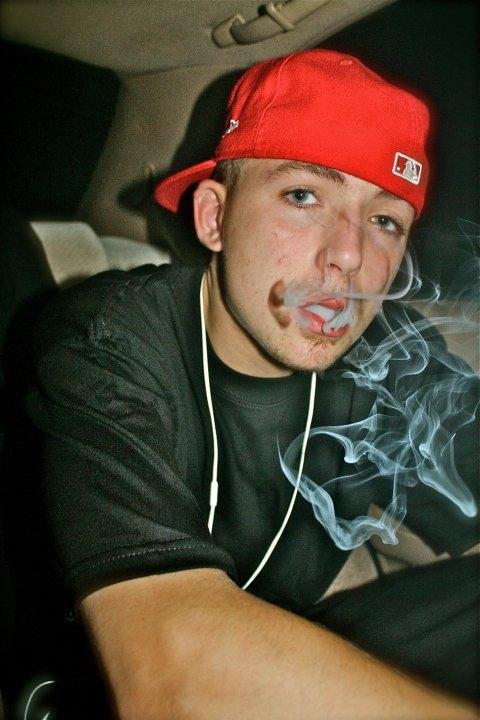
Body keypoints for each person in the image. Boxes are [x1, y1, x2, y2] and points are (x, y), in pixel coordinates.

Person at [29, 50, 479, 719]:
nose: (350, 255)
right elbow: (169, 675)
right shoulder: (109, 340)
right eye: (303, 196)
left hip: (304, 645)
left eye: (384, 220)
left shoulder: (390, 352)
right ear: (214, 218)